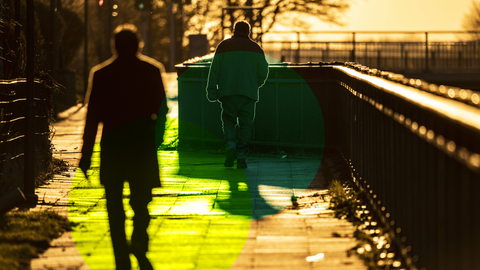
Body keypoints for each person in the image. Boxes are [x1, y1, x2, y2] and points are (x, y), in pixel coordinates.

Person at [80, 24, 168, 270]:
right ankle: (139, 238)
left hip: (113, 146)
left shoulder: (101, 73)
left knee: (114, 204)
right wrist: (157, 139)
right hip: (142, 144)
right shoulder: (152, 70)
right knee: (142, 201)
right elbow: (162, 110)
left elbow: (92, 117)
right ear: (139, 44)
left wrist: (86, 155)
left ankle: (121, 254)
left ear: (114, 46)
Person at [206, 20, 269, 169]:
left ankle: (231, 147)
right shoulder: (255, 48)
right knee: (246, 125)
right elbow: (264, 71)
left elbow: (214, 70)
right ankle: (241, 156)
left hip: (227, 92)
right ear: (248, 31)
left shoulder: (223, 46)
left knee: (228, 121)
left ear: (234, 30)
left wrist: (211, 90)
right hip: (248, 93)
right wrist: (256, 83)